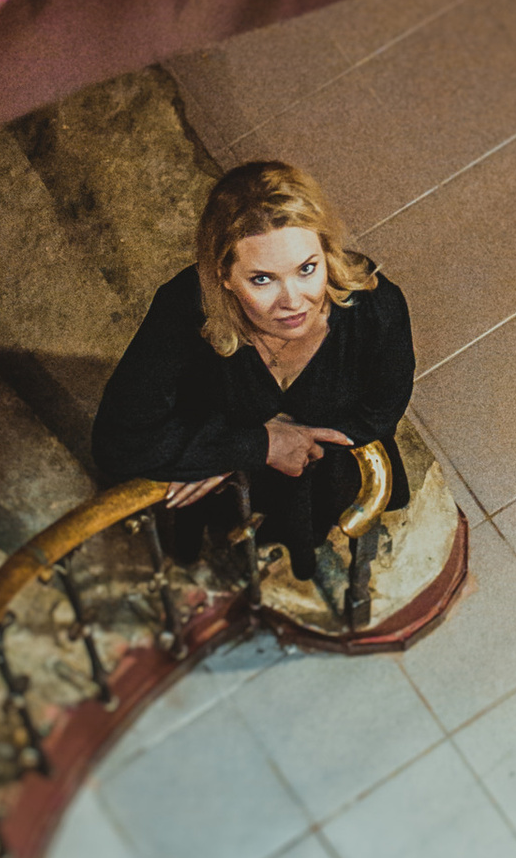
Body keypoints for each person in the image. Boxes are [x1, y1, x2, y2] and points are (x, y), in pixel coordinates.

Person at [90, 160, 415, 617]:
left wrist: (218, 449)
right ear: (223, 276)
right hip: (239, 494)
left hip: (328, 479)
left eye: (307, 268)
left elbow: (382, 409)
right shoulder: (185, 308)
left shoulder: (375, 307)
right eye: (262, 279)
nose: (293, 301)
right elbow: (117, 442)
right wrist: (251, 447)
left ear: (327, 251)